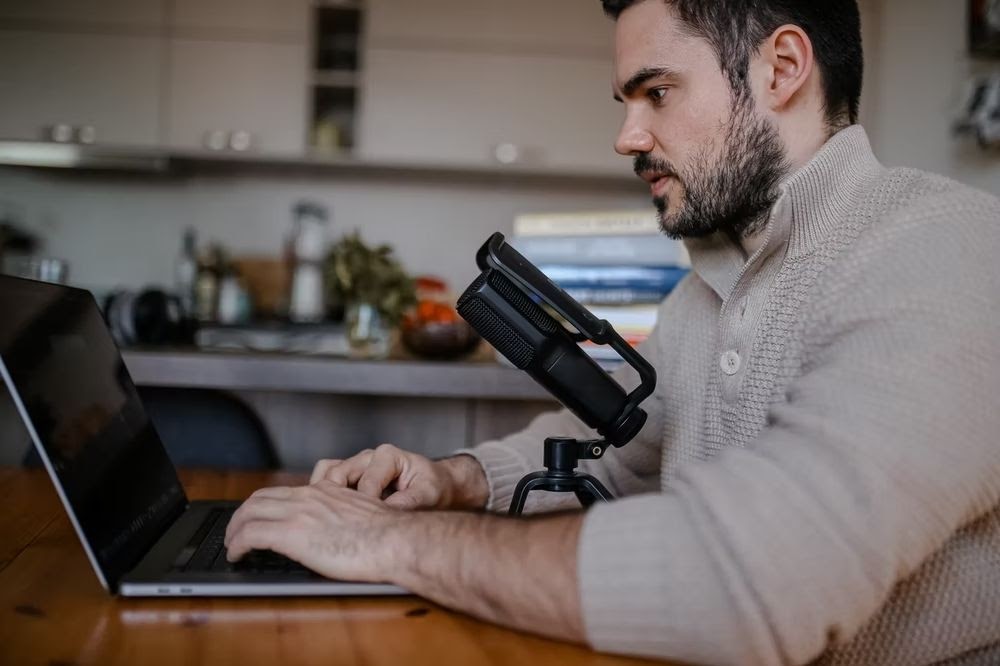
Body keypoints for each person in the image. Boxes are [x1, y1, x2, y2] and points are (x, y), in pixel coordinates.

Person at [224, 1, 1000, 664]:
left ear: (782, 67)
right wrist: (454, 481)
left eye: (656, 93)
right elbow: (625, 453)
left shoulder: (947, 252)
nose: (628, 136)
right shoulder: (703, 295)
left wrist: (380, 545)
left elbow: (754, 579)